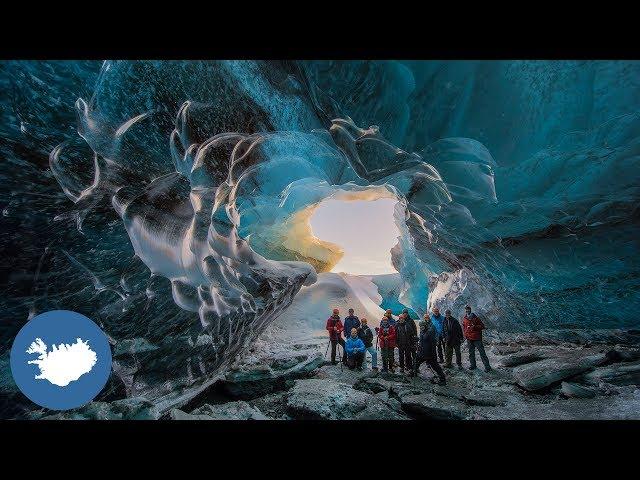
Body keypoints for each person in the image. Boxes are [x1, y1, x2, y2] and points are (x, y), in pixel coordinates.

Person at [412, 313, 446, 384]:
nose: (421, 328)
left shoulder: (430, 332)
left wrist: (433, 354)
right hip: (422, 352)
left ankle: (442, 378)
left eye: (422, 326)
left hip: (429, 353)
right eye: (421, 327)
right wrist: (417, 340)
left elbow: (432, 343)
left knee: (435, 366)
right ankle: (414, 372)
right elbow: (422, 340)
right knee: (416, 361)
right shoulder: (422, 332)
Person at [462, 305, 492, 372]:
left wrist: (474, 326)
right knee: (471, 353)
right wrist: (465, 335)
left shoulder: (476, 318)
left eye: (468, 309)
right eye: (466, 310)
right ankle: (473, 365)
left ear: (470, 310)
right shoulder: (464, 319)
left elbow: (482, 326)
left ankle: (487, 367)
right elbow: (464, 328)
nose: (467, 311)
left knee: (482, 353)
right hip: (469, 338)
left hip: (477, 338)